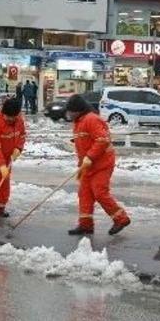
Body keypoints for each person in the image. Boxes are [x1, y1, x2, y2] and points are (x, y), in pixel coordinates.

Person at [65, 94, 131, 236]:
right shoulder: (78, 122)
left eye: (71, 111)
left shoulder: (92, 119)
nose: (69, 114)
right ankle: (86, 225)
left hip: (102, 163)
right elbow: (82, 145)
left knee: (99, 192)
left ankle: (121, 219)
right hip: (88, 165)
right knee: (84, 194)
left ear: (78, 110)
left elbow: (102, 140)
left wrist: (90, 157)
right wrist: (81, 165)